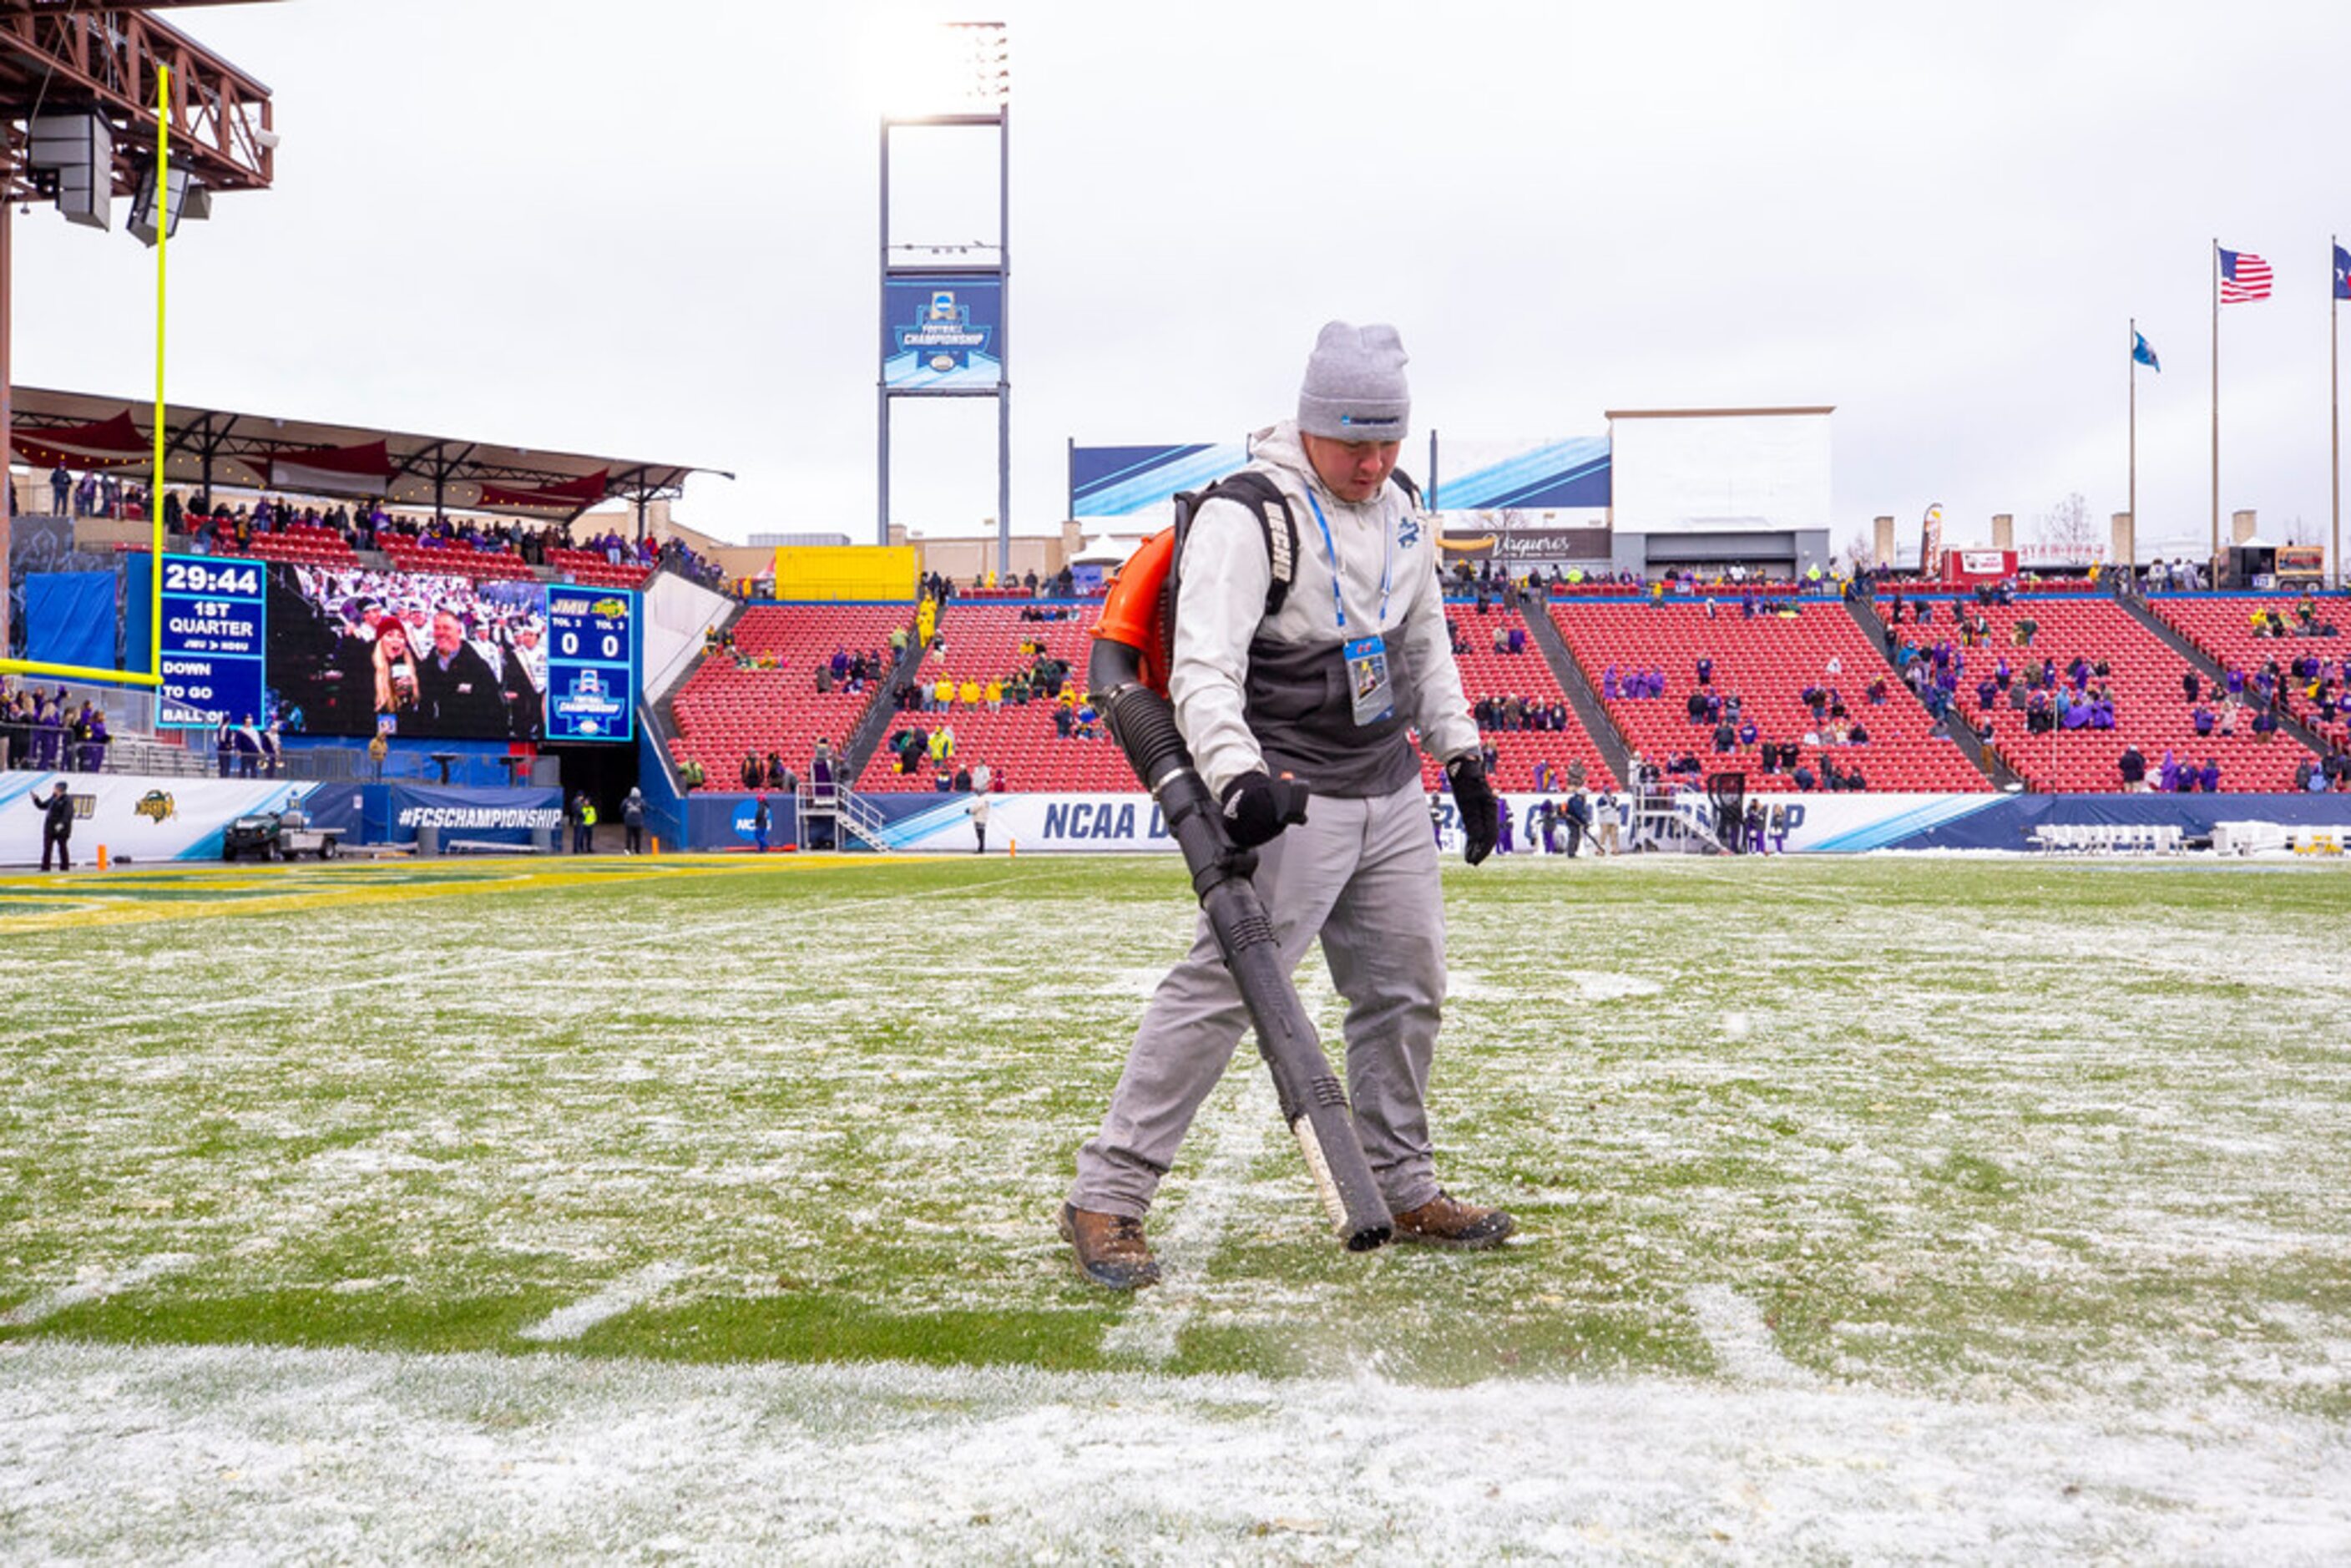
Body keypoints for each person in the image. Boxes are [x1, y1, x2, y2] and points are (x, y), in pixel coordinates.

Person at [1063, 320, 1510, 1291]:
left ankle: (1401, 1185)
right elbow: (1203, 670)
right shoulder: (1245, 515)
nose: (1374, 460)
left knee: (1404, 992)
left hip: (1388, 786)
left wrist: (1463, 759)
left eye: (1389, 441)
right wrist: (1237, 782)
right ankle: (1108, 1196)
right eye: (1355, 441)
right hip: (1288, 794)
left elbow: (1423, 649)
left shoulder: (1400, 509)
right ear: (1310, 424)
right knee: (1223, 993)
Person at [415, 609, 504, 733]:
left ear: (459, 632)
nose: (441, 633)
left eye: (446, 628)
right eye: (437, 628)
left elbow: (496, 712)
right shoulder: (425, 668)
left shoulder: (478, 667)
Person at [38, 780, 73, 872]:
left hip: (61, 828)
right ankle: (45, 867)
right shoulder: (53, 798)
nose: (54, 790)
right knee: (47, 848)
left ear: (60, 789)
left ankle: (64, 867)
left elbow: (67, 815)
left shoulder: (67, 800)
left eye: (56, 788)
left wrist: (61, 824)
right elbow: (42, 806)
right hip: (50, 827)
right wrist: (36, 799)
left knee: (62, 847)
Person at [622, 786, 646, 854]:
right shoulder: (641, 801)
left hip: (628, 821)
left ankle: (628, 850)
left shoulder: (626, 800)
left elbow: (622, 808)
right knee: (638, 837)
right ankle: (637, 850)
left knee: (629, 836)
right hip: (638, 821)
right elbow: (644, 809)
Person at [968, 789, 991, 854]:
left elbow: (976, 808)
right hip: (984, 817)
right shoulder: (986, 800)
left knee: (980, 834)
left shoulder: (980, 800)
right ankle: (981, 848)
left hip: (979, 818)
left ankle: (981, 849)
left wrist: (969, 811)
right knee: (981, 834)